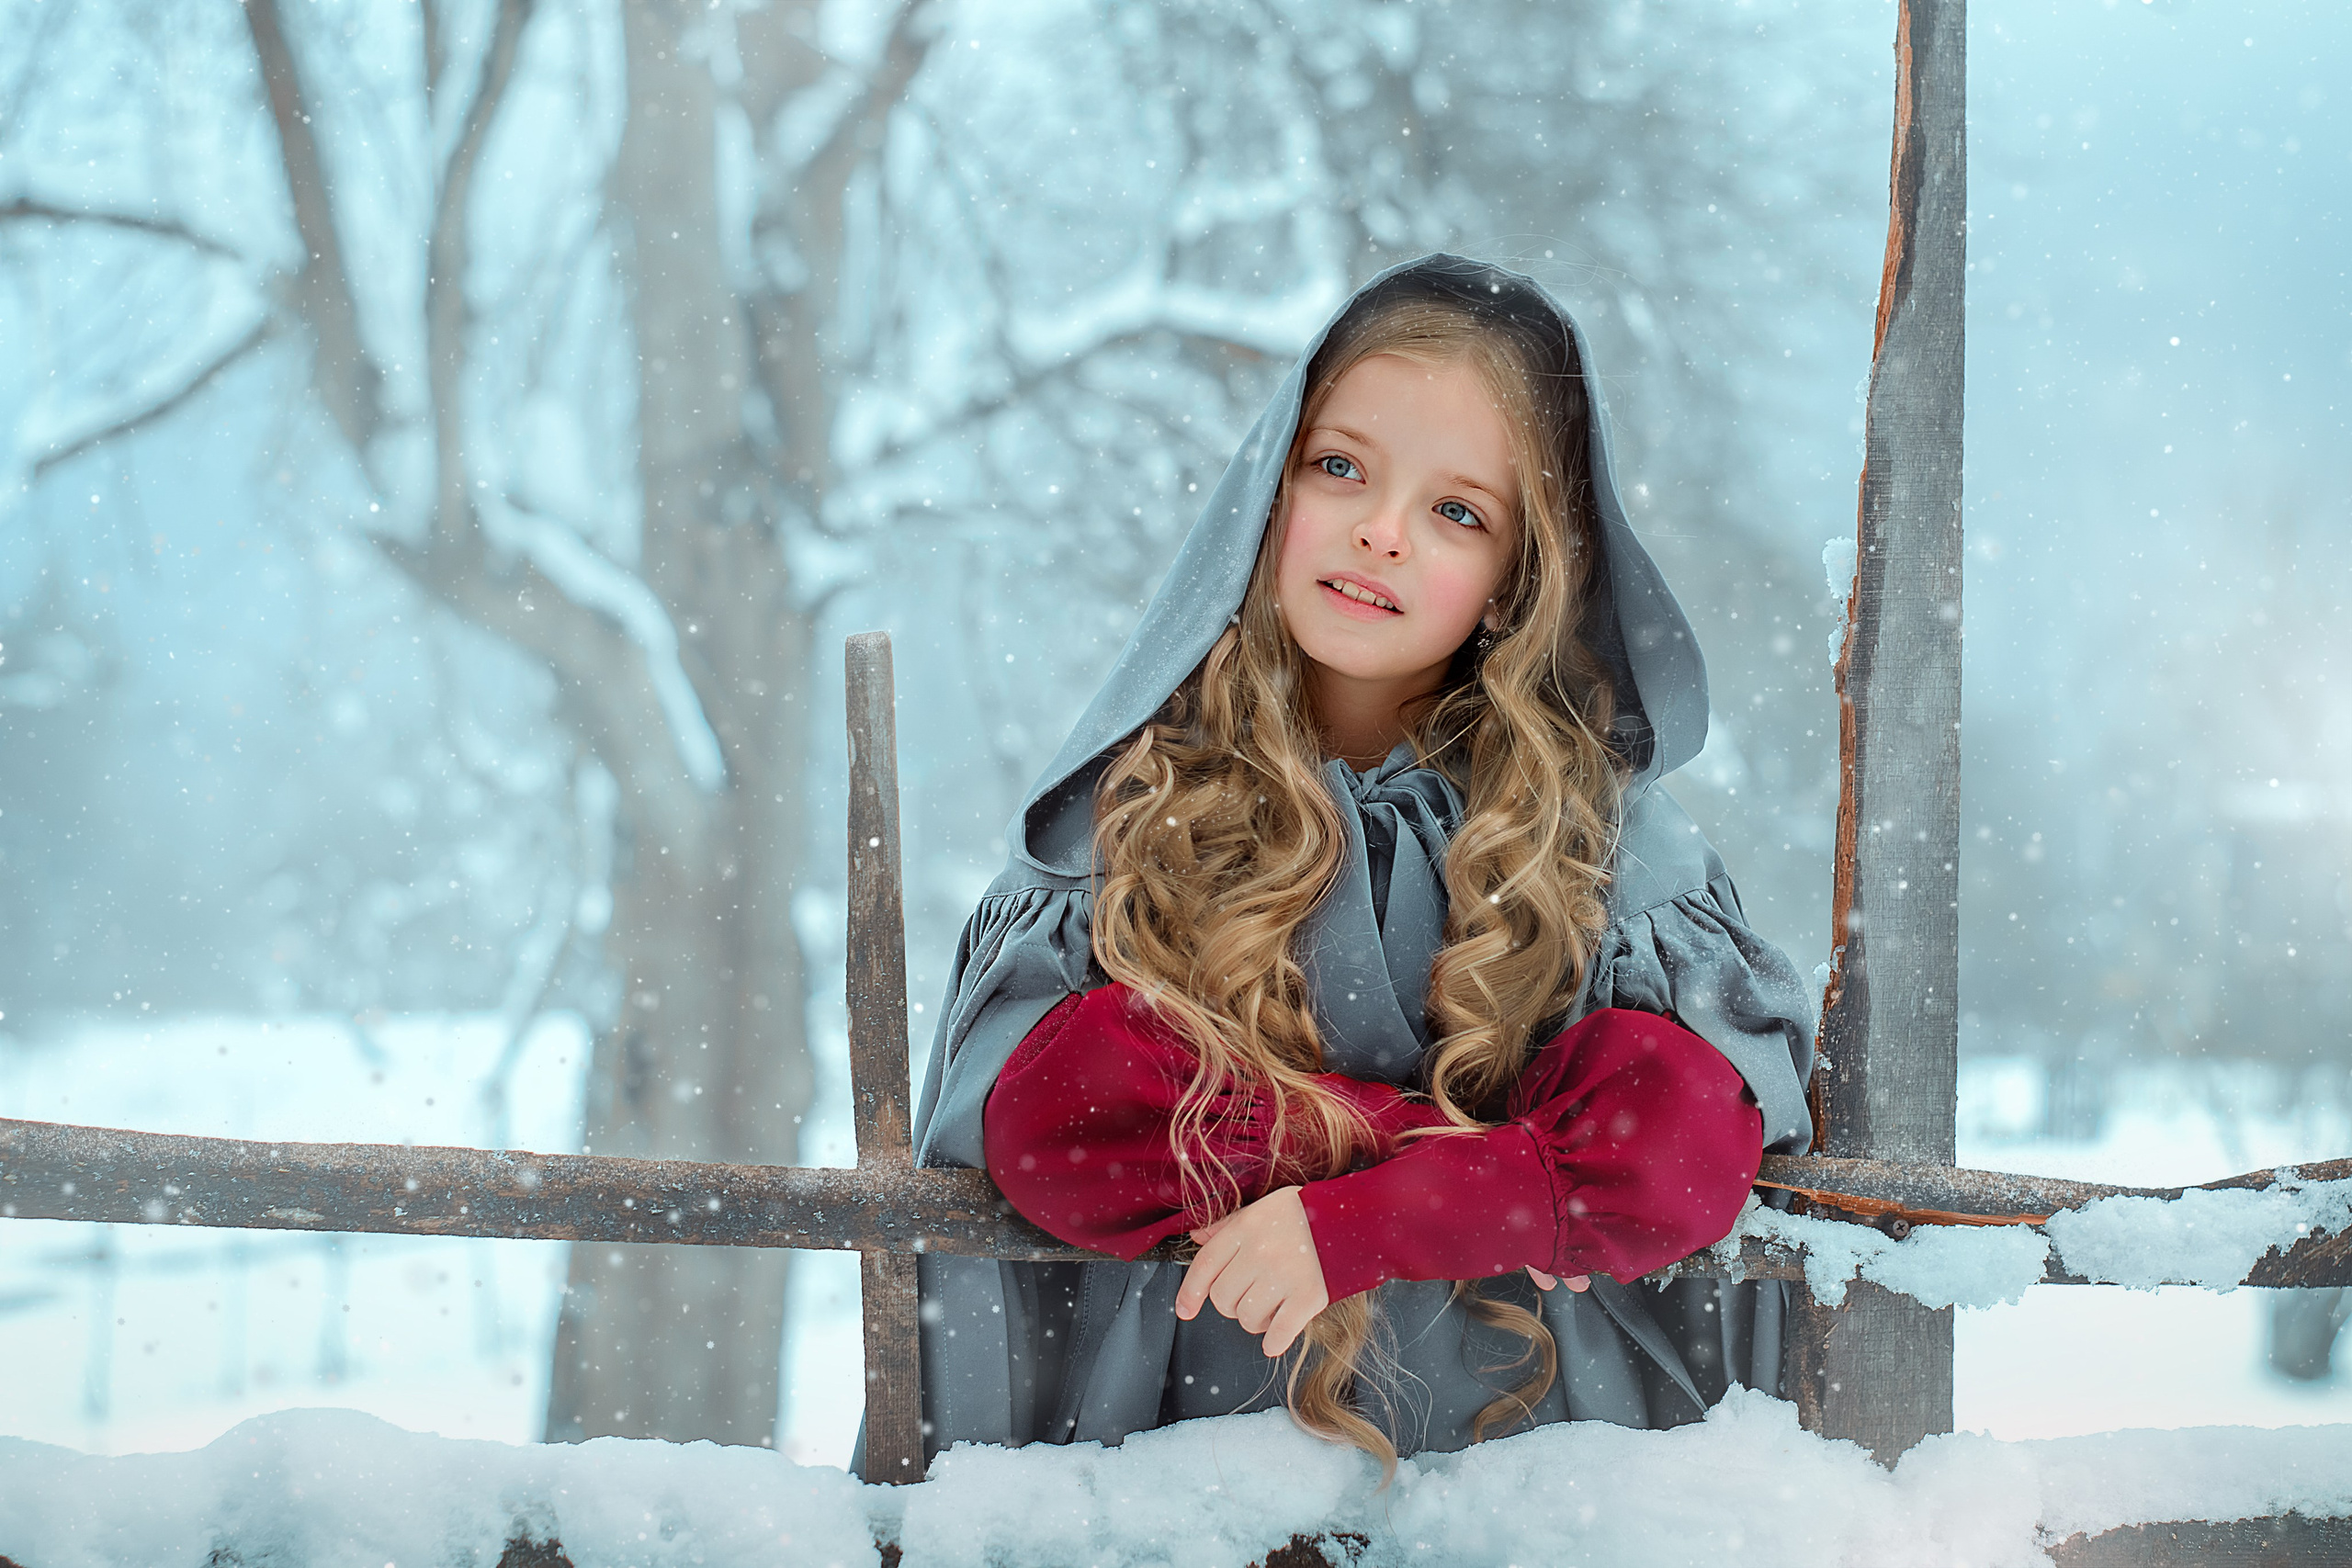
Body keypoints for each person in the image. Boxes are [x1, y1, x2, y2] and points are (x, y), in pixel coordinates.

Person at [899, 254, 1815, 1473]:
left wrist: (1374, 1221)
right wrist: (1455, 1150)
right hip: (1186, 1484)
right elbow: (1060, 1124)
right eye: (1340, 469)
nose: (1380, 531)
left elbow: (1679, 1143)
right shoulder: (1128, 834)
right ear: (1265, 497)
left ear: (1511, 583)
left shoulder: (1609, 857)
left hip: (1531, 1496)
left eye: (1458, 512)